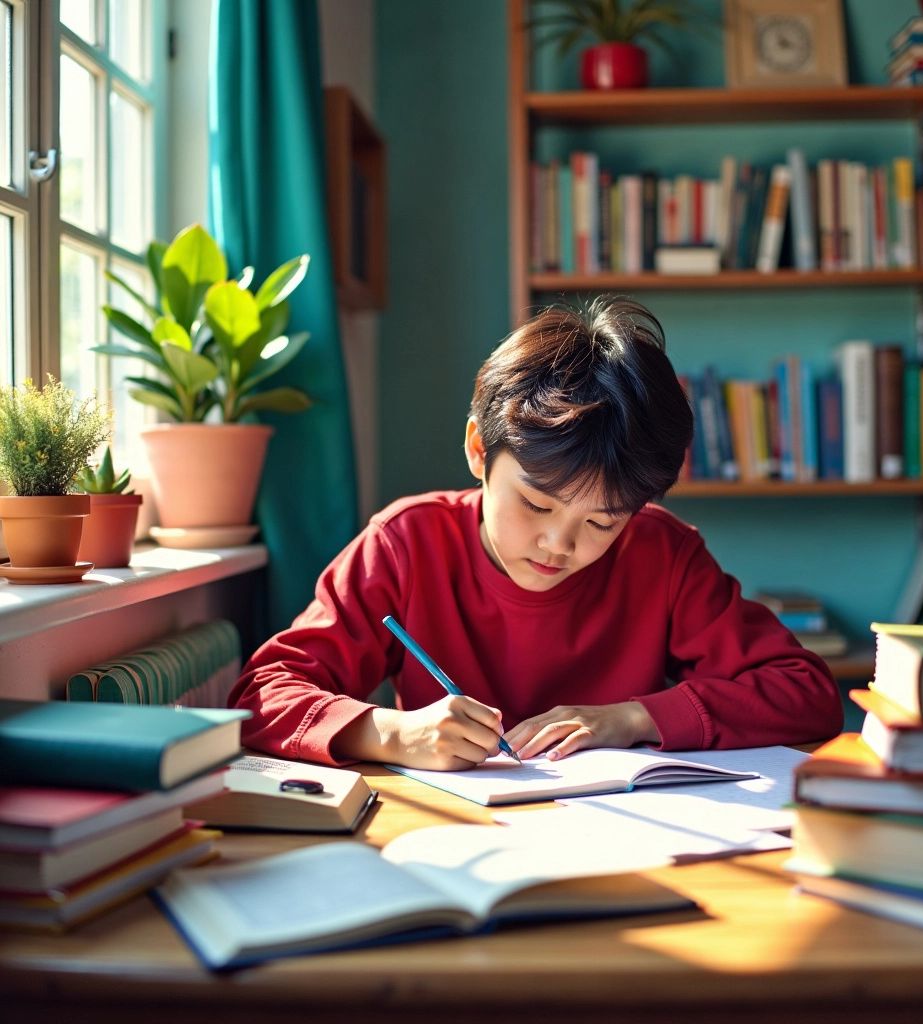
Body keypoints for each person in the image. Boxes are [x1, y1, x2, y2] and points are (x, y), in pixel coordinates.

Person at [229, 295, 843, 770]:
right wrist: (390, 732)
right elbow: (259, 694)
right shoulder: (406, 545)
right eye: (536, 504)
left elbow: (806, 692)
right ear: (478, 449)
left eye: (602, 521)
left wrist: (634, 718)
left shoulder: (663, 553)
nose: (560, 545)